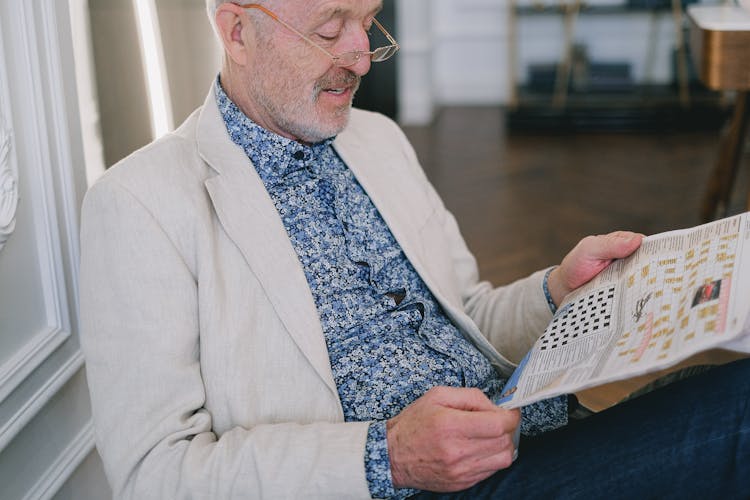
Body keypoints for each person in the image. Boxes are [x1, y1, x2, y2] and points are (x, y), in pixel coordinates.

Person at [78, 1, 750, 498]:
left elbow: (468, 317)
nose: (361, 55)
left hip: (540, 439)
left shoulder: (376, 138)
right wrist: (386, 457)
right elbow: (154, 474)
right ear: (237, 32)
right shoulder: (141, 203)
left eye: (368, 20)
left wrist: (557, 292)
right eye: (329, 28)